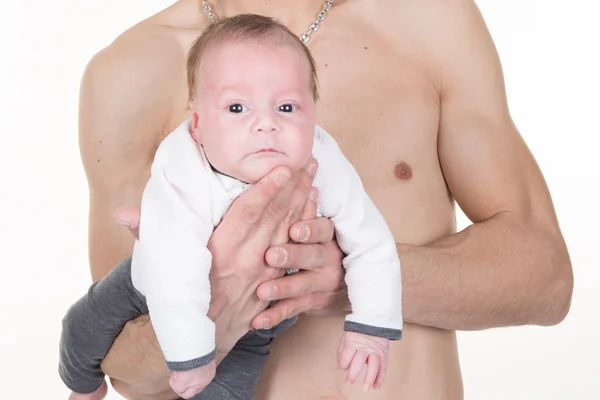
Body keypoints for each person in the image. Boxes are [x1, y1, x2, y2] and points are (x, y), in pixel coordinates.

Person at [78, 0, 573, 398]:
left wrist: (348, 275)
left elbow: (546, 278)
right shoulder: (129, 71)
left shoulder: (429, 20)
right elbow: (125, 374)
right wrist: (220, 303)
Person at [60, 14, 402, 400]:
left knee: (224, 392)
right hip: (156, 282)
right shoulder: (182, 165)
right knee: (82, 328)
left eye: (287, 108)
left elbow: (372, 242)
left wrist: (371, 326)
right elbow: (173, 268)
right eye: (237, 108)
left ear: (314, 113)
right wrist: (192, 354)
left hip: (263, 318)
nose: (266, 124)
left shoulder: (324, 160)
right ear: (198, 124)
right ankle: (84, 387)